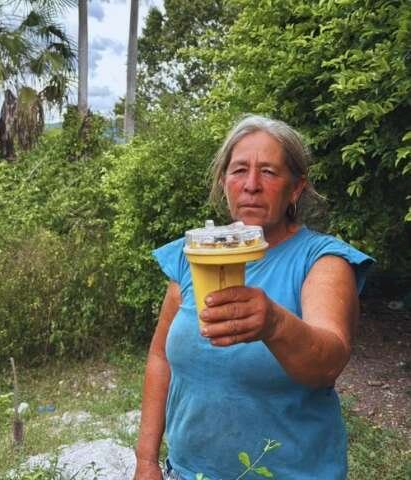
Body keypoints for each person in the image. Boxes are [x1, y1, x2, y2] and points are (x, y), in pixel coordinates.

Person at [133, 115, 374, 480]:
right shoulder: (195, 254)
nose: (251, 185)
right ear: (223, 182)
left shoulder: (321, 260)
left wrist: (274, 323)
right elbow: (160, 357)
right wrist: (146, 461)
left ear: (295, 188)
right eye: (239, 170)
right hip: (186, 472)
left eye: (269, 172)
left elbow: (327, 365)